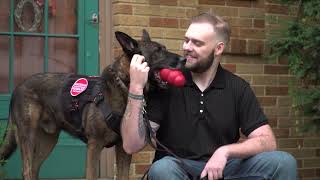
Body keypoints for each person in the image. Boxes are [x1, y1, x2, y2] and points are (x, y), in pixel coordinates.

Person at [121, 12, 297, 180]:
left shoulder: (237, 87)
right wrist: (136, 87)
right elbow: (131, 145)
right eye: (186, 40)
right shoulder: (166, 85)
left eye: (197, 43)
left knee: (282, 162)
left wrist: (225, 151)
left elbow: (267, 141)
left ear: (218, 48)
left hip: (225, 169)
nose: (186, 47)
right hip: (179, 169)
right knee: (162, 168)